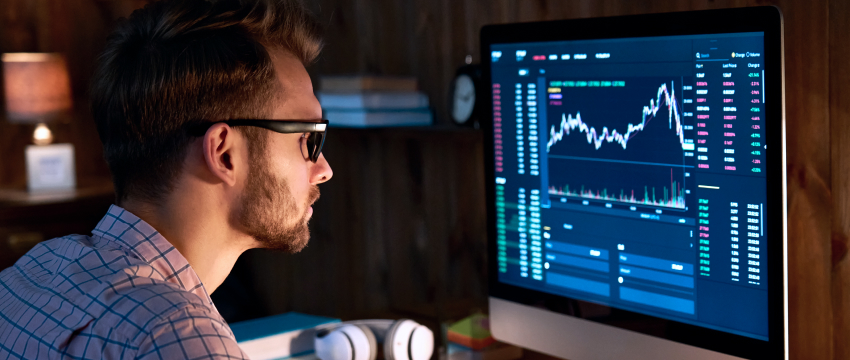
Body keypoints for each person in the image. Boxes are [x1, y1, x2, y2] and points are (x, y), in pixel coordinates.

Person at [0, 0, 332, 358]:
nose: (324, 169)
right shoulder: (178, 335)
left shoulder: (30, 272)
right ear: (224, 153)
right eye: (308, 138)